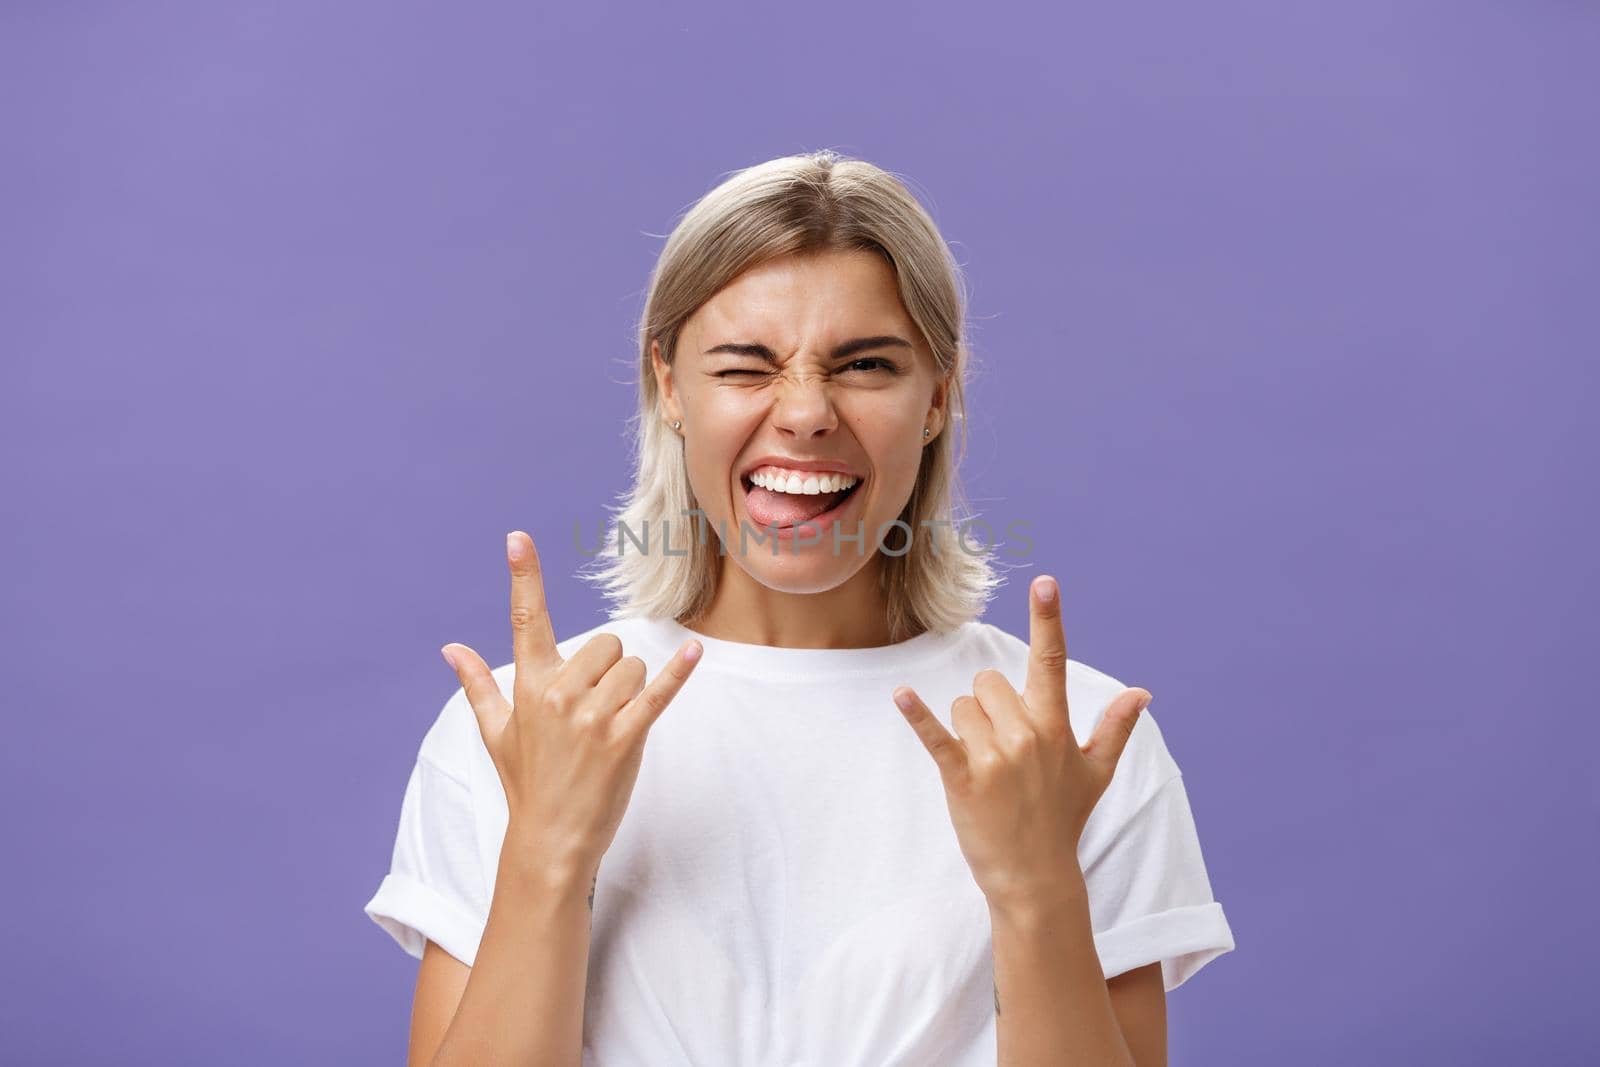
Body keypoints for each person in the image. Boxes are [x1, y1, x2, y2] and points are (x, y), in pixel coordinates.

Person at [363, 150, 1235, 1066]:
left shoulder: (1069, 741)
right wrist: (545, 851)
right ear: (670, 388)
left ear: (938, 395)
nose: (806, 413)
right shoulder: (522, 731)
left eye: (864, 364)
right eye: (747, 366)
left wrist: (1036, 889)